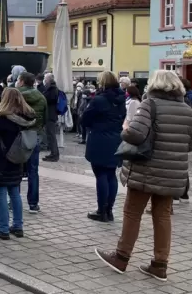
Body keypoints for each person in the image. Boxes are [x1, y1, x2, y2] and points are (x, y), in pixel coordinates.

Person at [95, 70, 192, 281]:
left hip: (146, 169)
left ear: (155, 84)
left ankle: (121, 257)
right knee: (163, 216)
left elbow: (136, 134)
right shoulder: (187, 110)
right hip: (173, 172)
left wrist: (125, 128)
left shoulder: (150, 104)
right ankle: (160, 264)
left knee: (132, 212)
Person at [0, 88, 36, 239]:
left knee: (1, 193)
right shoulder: (27, 118)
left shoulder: (2, 119)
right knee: (15, 193)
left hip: (2, 161)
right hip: (19, 159)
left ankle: (3, 228)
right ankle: (18, 226)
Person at [80, 71, 125, 222]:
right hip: (115, 139)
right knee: (111, 174)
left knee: (101, 174)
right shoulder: (121, 100)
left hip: (100, 139)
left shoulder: (99, 100)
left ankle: (101, 210)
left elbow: (85, 119)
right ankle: (109, 210)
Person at [16, 72, 45, 213]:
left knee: (16, 169)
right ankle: (33, 204)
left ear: (21, 81)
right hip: (34, 135)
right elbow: (44, 118)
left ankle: (14, 201)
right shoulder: (41, 97)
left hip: (18, 135)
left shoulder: (15, 95)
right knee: (33, 171)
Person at [41, 73, 61, 162]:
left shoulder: (52, 89)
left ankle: (54, 154)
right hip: (50, 114)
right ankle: (53, 153)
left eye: (45, 78)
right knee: (50, 135)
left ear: (49, 79)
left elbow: (48, 99)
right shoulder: (51, 88)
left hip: (50, 115)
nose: (44, 80)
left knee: (51, 135)